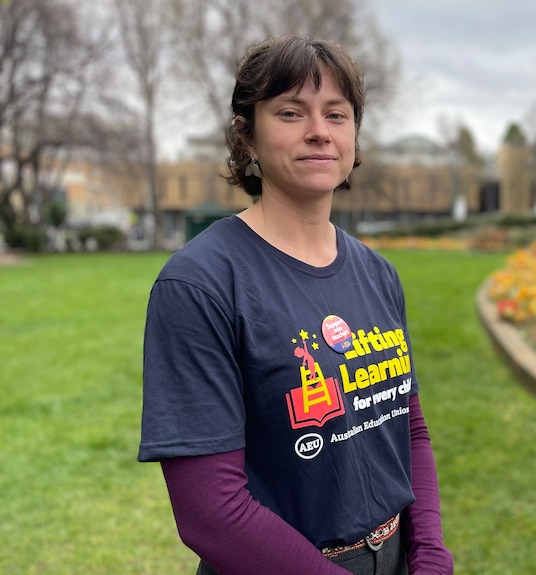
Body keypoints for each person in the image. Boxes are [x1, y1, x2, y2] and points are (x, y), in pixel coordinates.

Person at [137, 35, 454, 575]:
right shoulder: (200, 283)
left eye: (337, 114)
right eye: (290, 112)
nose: (319, 132)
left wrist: (430, 556)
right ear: (247, 136)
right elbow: (210, 513)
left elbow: (409, 429)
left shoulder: (377, 272)